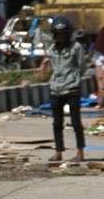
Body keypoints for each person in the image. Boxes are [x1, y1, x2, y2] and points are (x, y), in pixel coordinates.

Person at [40, 17, 86, 162]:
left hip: (72, 89)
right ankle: (59, 151)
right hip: (56, 89)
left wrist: (73, 79)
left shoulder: (76, 47)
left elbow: (82, 68)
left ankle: (80, 152)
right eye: (58, 34)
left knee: (76, 122)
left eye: (64, 34)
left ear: (68, 34)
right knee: (56, 123)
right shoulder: (52, 49)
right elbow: (50, 69)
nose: (61, 37)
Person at [95, 26, 104, 109]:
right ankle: (101, 102)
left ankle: (101, 102)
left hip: (100, 55)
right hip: (100, 55)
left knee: (101, 80)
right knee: (101, 80)